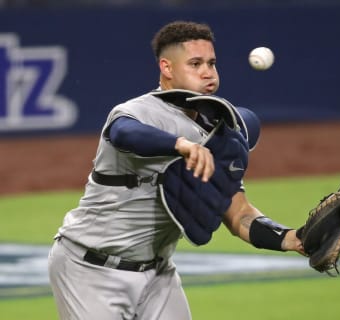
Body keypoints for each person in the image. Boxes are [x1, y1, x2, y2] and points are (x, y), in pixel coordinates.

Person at [47, 20, 304, 320]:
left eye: (211, 63)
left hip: (158, 275)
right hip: (89, 270)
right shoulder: (140, 111)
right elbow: (124, 134)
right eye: (195, 64)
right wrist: (179, 145)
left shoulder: (217, 132)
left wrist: (290, 238)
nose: (207, 72)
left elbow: (239, 214)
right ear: (167, 68)